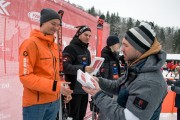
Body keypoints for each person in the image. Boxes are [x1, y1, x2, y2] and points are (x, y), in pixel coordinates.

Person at [82, 22, 167, 120]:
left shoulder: (150, 83)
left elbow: (127, 118)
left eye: (125, 45)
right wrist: (98, 81)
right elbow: (117, 86)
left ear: (139, 49)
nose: (121, 49)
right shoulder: (137, 70)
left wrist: (98, 95)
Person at [19, 8, 73, 120]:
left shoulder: (54, 46)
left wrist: (63, 87)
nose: (56, 28)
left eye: (58, 25)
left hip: (54, 102)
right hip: (36, 105)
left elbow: (54, 74)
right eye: (53, 23)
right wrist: (55, 86)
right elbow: (25, 77)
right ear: (43, 22)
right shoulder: (30, 43)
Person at [62, 25, 94, 120]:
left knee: (81, 116)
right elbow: (65, 67)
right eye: (85, 35)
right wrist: (83, 68)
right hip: (73, 91)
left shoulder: (87, 51)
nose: (88, 37)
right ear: (78, 34)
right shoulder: (70, 48)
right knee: (72, 117)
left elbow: (87, 70)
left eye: (89, 36)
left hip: (84, 90)